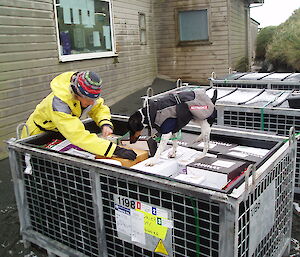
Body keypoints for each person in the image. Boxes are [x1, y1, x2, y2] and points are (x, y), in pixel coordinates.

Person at [21, 71, 137, 161]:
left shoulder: (87, 96)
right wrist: (114, 149)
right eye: (89, 100)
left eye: (94, 99)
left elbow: (98, 108)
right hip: (37, 136)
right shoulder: (59, 104)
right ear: (76, 93)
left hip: (58, 133)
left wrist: (105, 123)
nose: (92, 103)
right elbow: (78, 135)